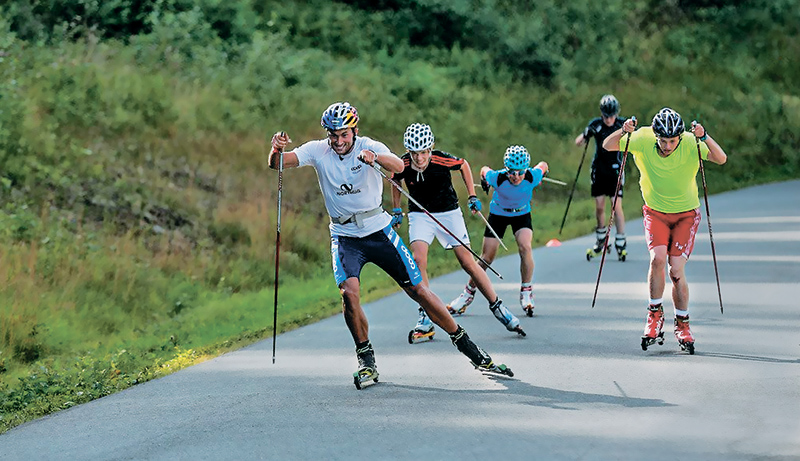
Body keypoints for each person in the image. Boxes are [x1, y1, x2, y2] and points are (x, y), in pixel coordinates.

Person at [268, 102, 513, 386]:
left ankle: (470, 348)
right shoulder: (318, 150)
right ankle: (366, 359)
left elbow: (399, 167)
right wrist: (276, 149)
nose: (338, 141)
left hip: (378, 231)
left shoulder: (369, 144)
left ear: (354, 131)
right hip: (345, 236)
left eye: (344, 134)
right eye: (333, 134)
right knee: (349, 293)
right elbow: (279, 165)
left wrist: (375, 158)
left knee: (418, 290)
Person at [603, 107, 727, 354]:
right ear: (656, 135)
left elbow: (720, 158)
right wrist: (623, 130)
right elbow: (608, 145)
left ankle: (683, 324)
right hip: (655, 213)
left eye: (672, 140)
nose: (668, 145)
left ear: (680, 136)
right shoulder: (643, 138)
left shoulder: (691, 142)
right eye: (663, 140)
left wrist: (705, 136)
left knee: (676, 269)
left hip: (686, 215)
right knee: (657, 259)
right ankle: (654, 314)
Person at [390, 123, 525, 341]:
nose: (420, 159)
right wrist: (396, 209)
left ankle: (498, 308)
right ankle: (425, 315)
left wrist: (472, 196)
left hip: (448, 212)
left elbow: (463, 165)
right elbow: (395, 178)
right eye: (415, 153)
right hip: (420, 213)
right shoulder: (403, 162)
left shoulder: (441, 159)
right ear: (409, 151)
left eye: (424, 152)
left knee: (468, 263)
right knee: (418, 260)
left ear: (430, 148)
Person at [448, 145, 549, 318]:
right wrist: (485, 181)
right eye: (512, 172)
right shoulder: (498, 177)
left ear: (525, 169)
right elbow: (484, 170)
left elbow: (544, 165)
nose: (516, 177)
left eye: (520, 172)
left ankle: (526, 292)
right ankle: (467, 295)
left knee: (525, 247)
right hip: (498, 214)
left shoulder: (532, 175)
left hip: (522, 214)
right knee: (486, 258)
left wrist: (543, 174)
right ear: (506, 169)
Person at [574, 94, 628, 260]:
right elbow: (578, 142)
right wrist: (586, 134)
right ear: (602, 113)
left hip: (615, 169)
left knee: (615, 205)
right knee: (599, 206)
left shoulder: (622, 125)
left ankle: (620, 240)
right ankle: (601, 240)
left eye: (612, 116)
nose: (609, 120)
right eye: (606, 116)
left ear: (616, 114)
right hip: (599, 169)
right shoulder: (596, 124)